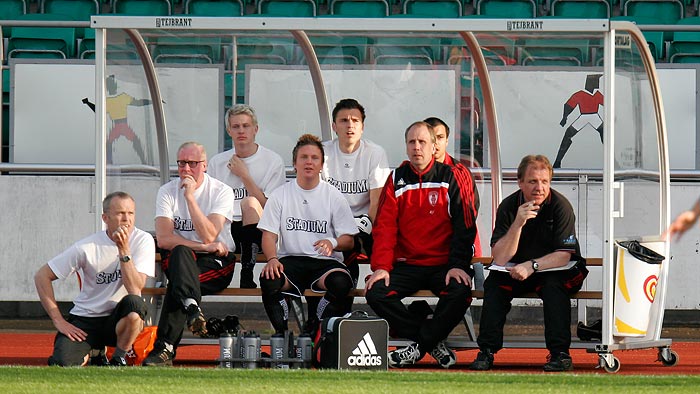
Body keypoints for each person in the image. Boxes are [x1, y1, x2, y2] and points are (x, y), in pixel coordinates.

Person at [365, 121, 478, 369]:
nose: (417, 147)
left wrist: (458, 264)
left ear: (434, 145)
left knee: (460, 291)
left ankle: (418, 346)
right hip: (408, 265)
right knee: (376, 292)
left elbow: (465, 225)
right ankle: (429, 341)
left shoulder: (450, 177)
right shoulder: (396, 178)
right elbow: (384, 227)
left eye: (422, 142)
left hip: (443, 265)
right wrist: (382, 267)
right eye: (412, 142)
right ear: (406, 146)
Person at [469, 154, 588, 372]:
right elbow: (501, 257)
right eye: (533, 181)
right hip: (518, 270)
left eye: (544, 182)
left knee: (554, 286)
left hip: (555, 269)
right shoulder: (509, 206)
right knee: (495, 284)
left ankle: (560, 354)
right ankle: (486, 350)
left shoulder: (560, 206)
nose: (539, 188)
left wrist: (531, 266)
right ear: (520, 182)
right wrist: (518, 224)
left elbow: (564, 255)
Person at [34, 192, 156, 367]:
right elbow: (41, 276)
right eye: (120, 213)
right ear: (105, 218)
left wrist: (124, 251)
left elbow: (135, 289)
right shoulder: (87, 246)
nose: (126, 219)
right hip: (87, 318)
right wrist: (58, 320)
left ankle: (118, 358)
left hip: (118, 317)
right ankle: (94, 351)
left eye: (131, 213)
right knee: (63, 363)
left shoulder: (142, 240)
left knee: (135, 304)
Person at [142, 142, 236, 366]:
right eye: (181, 163)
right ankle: (192, 307)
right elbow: (164, 239)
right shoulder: (166, 191)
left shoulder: (221, 191)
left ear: (204, 165)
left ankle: (165, 348)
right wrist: (203, 247)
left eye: (192, 164)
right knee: (180, 252)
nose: (185, 169)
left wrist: (190, 198)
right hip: (181, 258)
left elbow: (209, 235)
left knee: (178, 284)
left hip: (215, 264)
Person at [257, 134, 358, 335]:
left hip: (324, 264)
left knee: (341, 283)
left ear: (321, 164)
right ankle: (283, 336)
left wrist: (331, 242)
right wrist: (272, 259)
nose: (309, 162)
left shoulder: (333, 195)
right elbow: (269, 235)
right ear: (294, 163)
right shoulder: (280, 194)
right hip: (291, 261)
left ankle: (316, 325)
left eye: (314, 158)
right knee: (269, 278)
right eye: (304, 157)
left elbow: (349, 240)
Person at [321, 98, 391, 316]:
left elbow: (377, 198)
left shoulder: (375, 152)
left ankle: (345, 312)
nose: (349, 125)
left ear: (362, 126)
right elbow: (318, 196)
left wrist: (366, 223)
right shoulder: (323, 151)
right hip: (331, 222)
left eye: (355, 120)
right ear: (334, 126)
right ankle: (332, 313)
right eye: (343, 120)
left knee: (355, 245)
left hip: (364, 223)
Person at [208, 104, 286, 289]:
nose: (241, 131)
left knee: (249, 202)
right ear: (229, 130)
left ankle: (247, 271)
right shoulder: (217, 162)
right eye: (236, 127)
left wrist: (244, 175)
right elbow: (208, 204)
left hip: (258, 231)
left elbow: (271, 207)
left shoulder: (272, 161)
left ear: (255, 129)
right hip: (226, 228)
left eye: (246, 126)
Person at [424, 116, 482, 257]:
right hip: (423, 244)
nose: (435, 143)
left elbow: (469, 213)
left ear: (447, 141)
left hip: (456, 241)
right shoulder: (410, 172)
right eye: (431, 137)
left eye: (440, 137)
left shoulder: (460, 172)